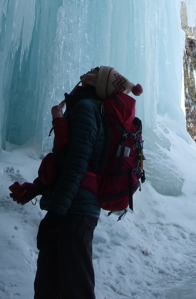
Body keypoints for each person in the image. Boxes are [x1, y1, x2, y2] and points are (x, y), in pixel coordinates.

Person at [32, 66, 143, 299]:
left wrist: (55, 213)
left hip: (74, 211)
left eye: (93, 75)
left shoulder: (85, 109)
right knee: (55, 286)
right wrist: (37, 188)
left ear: (97, 85)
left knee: (72, 288)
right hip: (76, 209)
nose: (85, 76)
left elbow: (77, 163)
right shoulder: (93, 110)